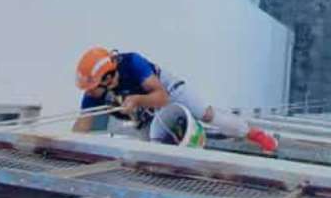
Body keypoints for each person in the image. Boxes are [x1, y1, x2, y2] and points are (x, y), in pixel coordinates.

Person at [73, 46, 279, 155]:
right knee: (155, 148)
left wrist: (135, 99)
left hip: (165, 91)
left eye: (94, 87)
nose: (91, 94)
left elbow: (162, 98)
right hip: (143, 113)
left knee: (205, 113)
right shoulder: (94, 95)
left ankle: (255, 134)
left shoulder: (133, 63)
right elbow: (82, 127)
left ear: (109, 78)